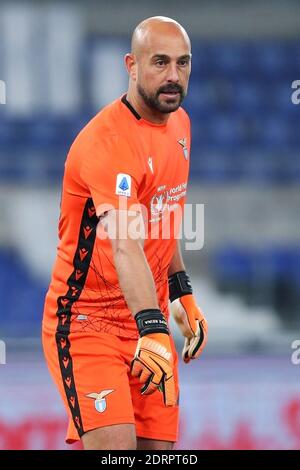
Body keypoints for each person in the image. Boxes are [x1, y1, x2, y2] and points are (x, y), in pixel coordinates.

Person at [42, 15, 208, 451]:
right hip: (86, 325)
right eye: (160, 62)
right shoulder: (108, 143)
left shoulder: (181, 126)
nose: (174, 76)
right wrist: (153, 327)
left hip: (144, 319)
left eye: (183, 63)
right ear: (131, 65)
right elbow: (126, 244)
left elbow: (164, 216)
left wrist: (181, 292)